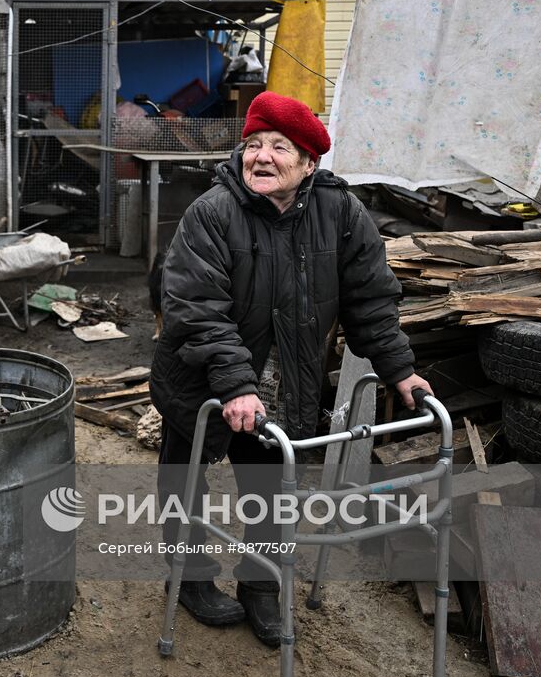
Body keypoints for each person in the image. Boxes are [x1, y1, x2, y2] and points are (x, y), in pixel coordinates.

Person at [150, 91, 431, 645]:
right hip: (204, 378)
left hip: (286, 378)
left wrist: (400, 369)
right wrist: (233, 384)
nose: (262, 157)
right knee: (185, 477)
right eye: (254, 144)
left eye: (281, 147)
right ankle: (190, 577)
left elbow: (370, 300)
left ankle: (261, 585)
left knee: (273, 487)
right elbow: (195, 308)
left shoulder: (341, 213)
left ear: (309, 163)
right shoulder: (212, 212)